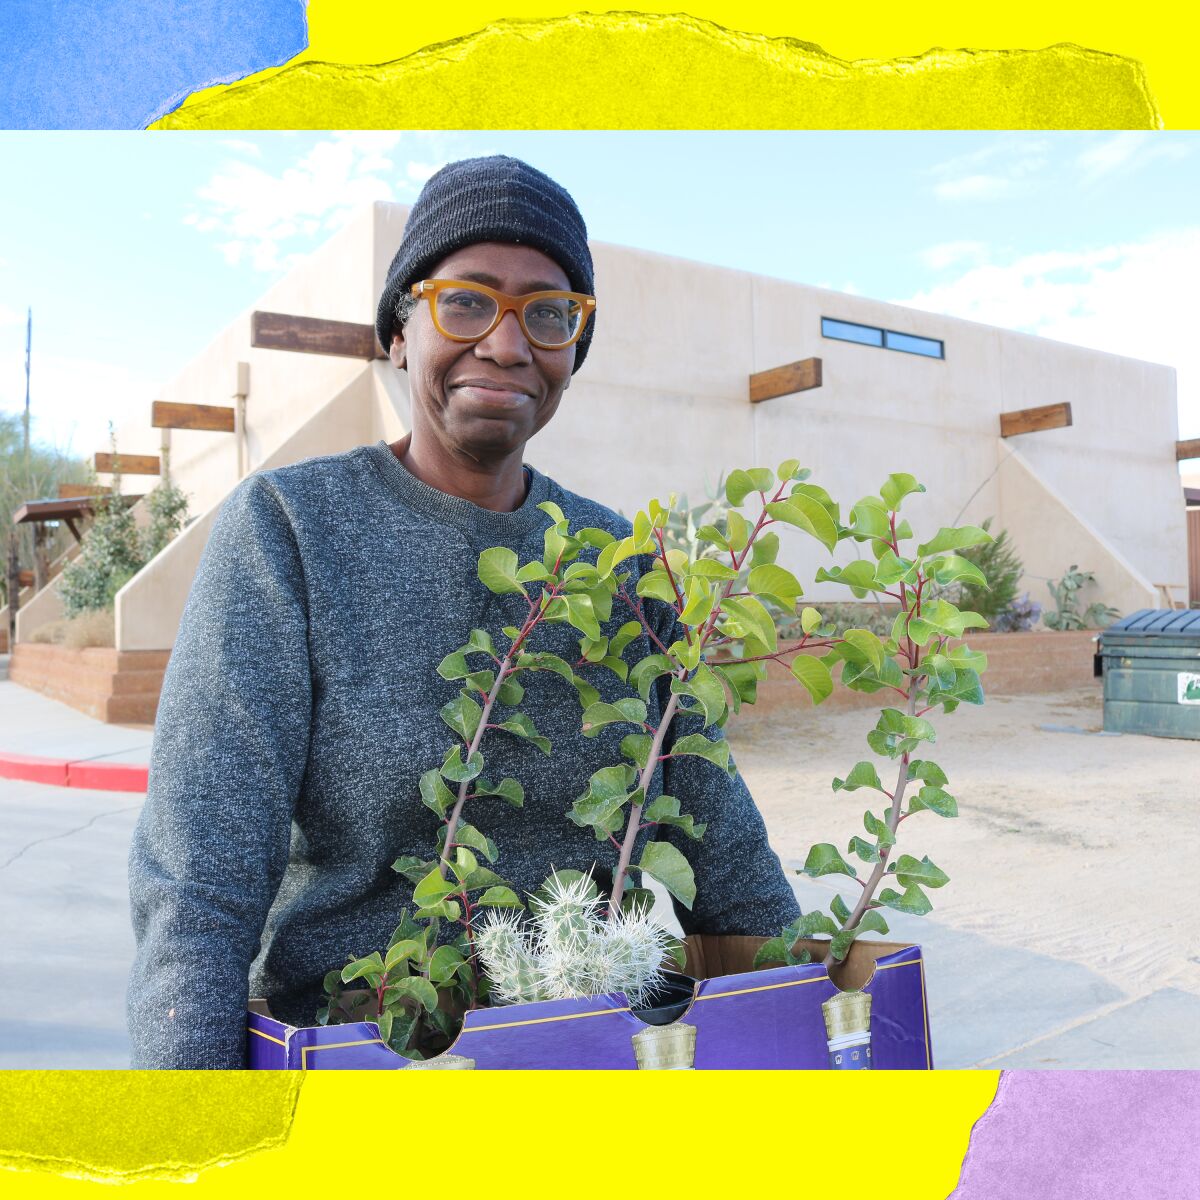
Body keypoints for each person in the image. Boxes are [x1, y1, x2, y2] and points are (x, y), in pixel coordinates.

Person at [127, 155, 800, 1069]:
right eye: (467, 301)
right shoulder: (292, 530)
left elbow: (722, 841)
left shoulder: (614, 559)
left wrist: (819, 1025)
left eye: (549, 313)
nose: (508, 343)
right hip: (366, 1070)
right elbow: (198, 887)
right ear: (400, 333)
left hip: (602, 1065)